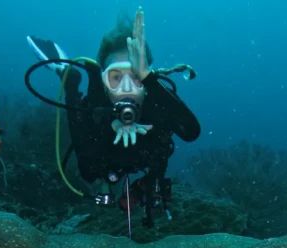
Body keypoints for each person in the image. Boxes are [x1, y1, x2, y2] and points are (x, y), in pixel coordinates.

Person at [28, 7, 201, 229]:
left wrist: (148, 79)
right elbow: (88, 170)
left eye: (136, 77)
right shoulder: (96, 105)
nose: (126, 89)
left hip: (147, 161)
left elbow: (191, 132)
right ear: (103, 82)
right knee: (94, 170)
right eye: (116, 78)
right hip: (106, 160)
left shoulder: (158, 99)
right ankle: (69, 76)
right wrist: (108, 127)